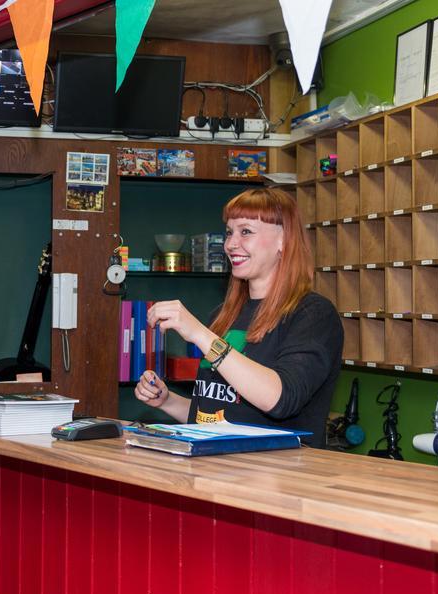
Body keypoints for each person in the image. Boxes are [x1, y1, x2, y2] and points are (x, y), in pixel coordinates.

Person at [134, 187, 342, 447]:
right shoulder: (223, 316)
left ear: (284, 241)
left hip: (278, 478)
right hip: (219, 471)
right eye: (229, 232)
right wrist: (167, 401)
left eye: (246, 232)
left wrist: (200, 334)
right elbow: (218, 414)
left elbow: (279, 399)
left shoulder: (313, 314)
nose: (231, 244)